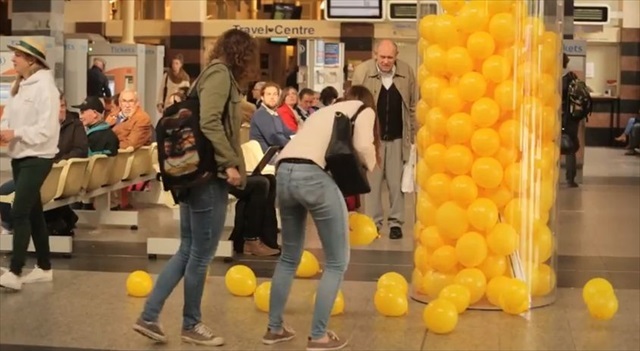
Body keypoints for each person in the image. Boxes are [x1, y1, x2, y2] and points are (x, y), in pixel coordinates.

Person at [132, 28, 257, 346]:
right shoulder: (219, 75)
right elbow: (210, 121)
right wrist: (229, 162)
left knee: (188, 250)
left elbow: (217, 114)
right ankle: (191, 324)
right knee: (200, 254)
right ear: (241, 53)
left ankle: (149, 316)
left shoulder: (212, 75)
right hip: (207, 176)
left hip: (196, 174)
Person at [262, 85, 379, 351]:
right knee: (337, 261)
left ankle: (274, 328)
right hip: (313, 176)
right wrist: (371, 165)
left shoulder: (323, 112)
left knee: (290, 256)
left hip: (284, 169)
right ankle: (318, 336)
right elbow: (361, 145)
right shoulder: (363, 109)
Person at [0, 38, 60, 291]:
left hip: (38, 157)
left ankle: (15, 271)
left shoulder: (46, 89)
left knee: (19, 211)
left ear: (32, 60)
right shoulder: (20, 86)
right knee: (34, 214)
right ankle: (45, 267)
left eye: (17, 56)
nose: (12, 59)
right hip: (20, 156)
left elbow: (45, 130)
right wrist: (5, 131)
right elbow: (8, 118)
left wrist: (16, 133)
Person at [351, 39, 416, 239]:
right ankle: (373, 223)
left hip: (398, 137)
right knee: (373, 184)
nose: (386, 61)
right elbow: (354, 104)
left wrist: (414, 137)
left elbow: (413, 106)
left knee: (397, 184)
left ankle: (396, 223)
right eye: (382, 57)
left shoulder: (406, 72)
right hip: (372, 139)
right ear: (375, 55)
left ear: (396, 57)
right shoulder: (362, 72)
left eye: (390, 57)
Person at [1, 90, 88, 236]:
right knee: (3, 191)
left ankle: (14, 228)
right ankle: (10, 225)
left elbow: (80, 150)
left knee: (9, 193)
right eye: (57, 106)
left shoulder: (75, 125)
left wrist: (57, 162)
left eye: (62, 105)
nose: (61, 109)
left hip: (56, 175)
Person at [249, 82, 293, 153]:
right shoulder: (261, 114)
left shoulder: (275, 114)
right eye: (268, 94)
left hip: (278, 153)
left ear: (278, 97)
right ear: (262, 97)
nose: (272, 97)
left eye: (275, 94)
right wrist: (292, 144)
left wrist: (299, 139)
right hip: (267, 157)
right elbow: (273, 138)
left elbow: (288, 132)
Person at [561, 53, 580, 188]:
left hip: (563, 117)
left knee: (566, 146)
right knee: (571, 147)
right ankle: (571, 179)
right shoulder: (572, 77)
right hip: (573, 117)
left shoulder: (559, 78)